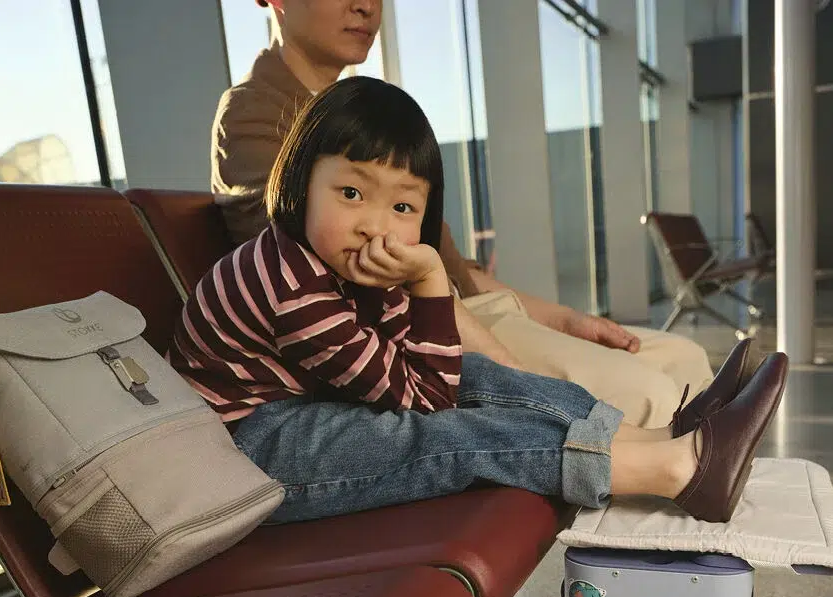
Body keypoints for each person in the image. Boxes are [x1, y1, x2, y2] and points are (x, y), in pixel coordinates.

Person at [176, 77, 786, 529]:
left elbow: (437, 373)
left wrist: (415, 292)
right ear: (299, 180)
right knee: (440, 437)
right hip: (247, 450)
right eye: (352, 192)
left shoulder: (355, 266)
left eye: (402, 207)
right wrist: (429, 283)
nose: (374, 226)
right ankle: (681, 472)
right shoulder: (289, 282)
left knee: (483, 376)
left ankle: (664, 435)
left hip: (302, 406)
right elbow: (427, 400)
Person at [209, 0, 723, 428]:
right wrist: (524, 383)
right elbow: (357, 281)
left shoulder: (364, 122)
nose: (367, 6)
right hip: (415, 334)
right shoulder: (256, 115)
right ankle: (665, 527)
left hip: (458, 310)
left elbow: (462, 277)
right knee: (651, 398)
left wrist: (567, 319)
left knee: (685, 359)